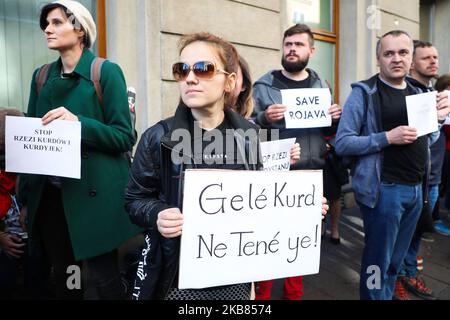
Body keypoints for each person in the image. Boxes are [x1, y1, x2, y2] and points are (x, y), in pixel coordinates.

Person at [125, 32, 328, 300]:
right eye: (181, 69)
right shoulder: (158, 138)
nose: (190, 77)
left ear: (229, 82)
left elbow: (265, 204)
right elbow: (134, 199)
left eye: (204, 68)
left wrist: (303, 210)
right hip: (177, 280)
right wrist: (157, 214)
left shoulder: (252, 137)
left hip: (237, 279)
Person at [19, 0, 140, 300]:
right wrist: (26, 200)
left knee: (103, 281)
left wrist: (78, 124)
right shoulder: (41, 76)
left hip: (94, 199)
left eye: (57, 22)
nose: (48, 29)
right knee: (63, 280)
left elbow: (124, 136)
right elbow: (32, 142)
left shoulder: (106, 72)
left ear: (80, 29)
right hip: (52, 199)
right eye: (46, 23)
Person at [335, 30, 449, 300]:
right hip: (383, 191)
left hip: (415, 189)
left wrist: (440, 120)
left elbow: (427, 137)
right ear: (378, 59)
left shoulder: (420, 92)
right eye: (388, 53)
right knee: (377, 261)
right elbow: (343, 143)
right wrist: (387, 137)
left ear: (411, 58)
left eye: (402, 52)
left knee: (395, 262)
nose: (396, 58)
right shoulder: (363, 94)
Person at [251, 23, 342, 300]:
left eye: (298, 44)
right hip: (274, 176)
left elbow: (327, 133)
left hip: (310, 174)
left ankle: (293, 296)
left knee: (300, 245)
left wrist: (335, 118)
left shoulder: (320, 85)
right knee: (266, 243)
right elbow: (247, 129)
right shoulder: (264, 85)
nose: (292, 49)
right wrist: (265, 118)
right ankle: (262, 297)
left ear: (311, 51)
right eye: (288, 44)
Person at [394, 41, 447, 300]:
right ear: (413, 63)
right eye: (426, 58)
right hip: (412, 179)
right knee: (401, 235)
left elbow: (433, 137)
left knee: (419, 231)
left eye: (435, 57)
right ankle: (398, 279)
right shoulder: (409, 94)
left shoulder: (433, 93)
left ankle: (409, 272)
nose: (434, 62)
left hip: (432, 177)